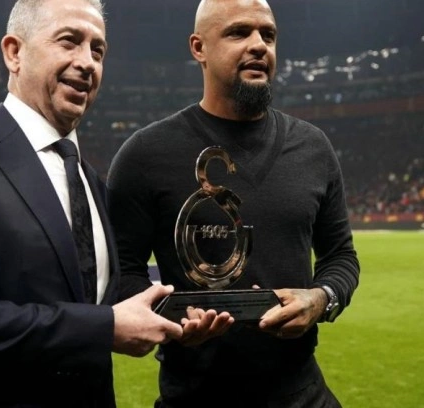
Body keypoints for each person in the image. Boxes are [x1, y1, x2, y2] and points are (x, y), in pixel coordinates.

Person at [0, 0, 183, 407]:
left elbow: (85, 294)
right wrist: (103, 327)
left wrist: (173, 315)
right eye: (69, 41)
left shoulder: (91, 182)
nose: (87, 62)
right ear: (14, 52)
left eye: (98, 50)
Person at [107, 0, 360, 406]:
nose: (259, 45)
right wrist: (172, 316)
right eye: (239, 32)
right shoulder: (145, 154)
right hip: (194, 395)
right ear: (199, 48)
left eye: (268, 35)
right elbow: (121, 271)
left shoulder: (313, 148)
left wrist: (321, 299)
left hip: (302, 392)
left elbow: (341, 256)